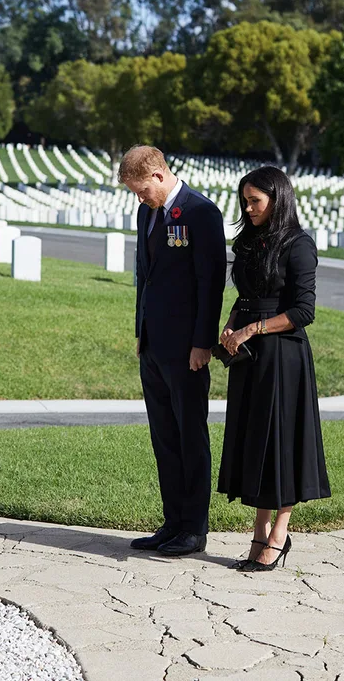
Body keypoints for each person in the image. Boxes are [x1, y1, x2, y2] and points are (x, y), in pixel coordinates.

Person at [217, 165, 331, 571]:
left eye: (255, 201)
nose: (247, 209)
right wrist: (232, 323)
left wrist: (251, 328)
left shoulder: (299, 245)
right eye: (244, 201)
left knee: (280, 447)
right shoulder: (249, 241)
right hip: (249, 359)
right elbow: (245, 295)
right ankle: (257, 531)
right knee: (256, 445)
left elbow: (304, 311)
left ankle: (277, 535)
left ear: (277, 199)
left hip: (283, 358)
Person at [120, 145, 227, 557]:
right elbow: (145, 277)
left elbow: (210, 282)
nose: (139, 198)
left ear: (159, 176)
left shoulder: (201, 213)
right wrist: (140, 331)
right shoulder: (146, 212)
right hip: (153, 345)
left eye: (142, 189)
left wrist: (203, 342)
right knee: (163, 437)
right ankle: (172, 522)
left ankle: (194, 529)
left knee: (189, 435)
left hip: (187, 349)